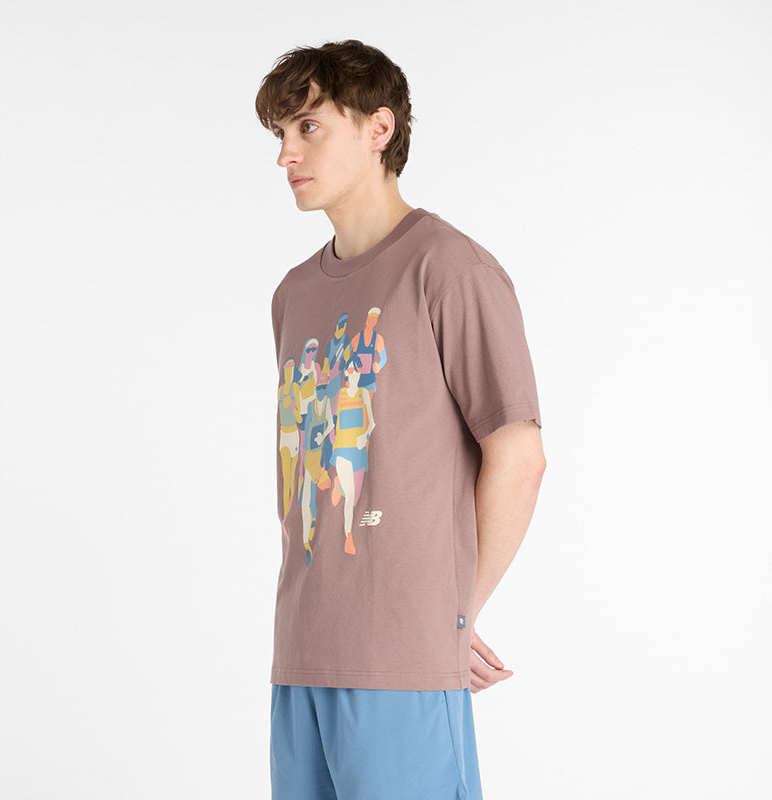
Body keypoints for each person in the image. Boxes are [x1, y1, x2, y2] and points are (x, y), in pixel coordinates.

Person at [255, 39, 546, 800]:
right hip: (301, 656)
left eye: (307, 127)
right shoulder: (293, 296)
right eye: (279, 134)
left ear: (378, 128)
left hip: (402, 665)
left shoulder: (448, 269)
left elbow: (519, 457)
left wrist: (453, 617)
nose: (285, 154)